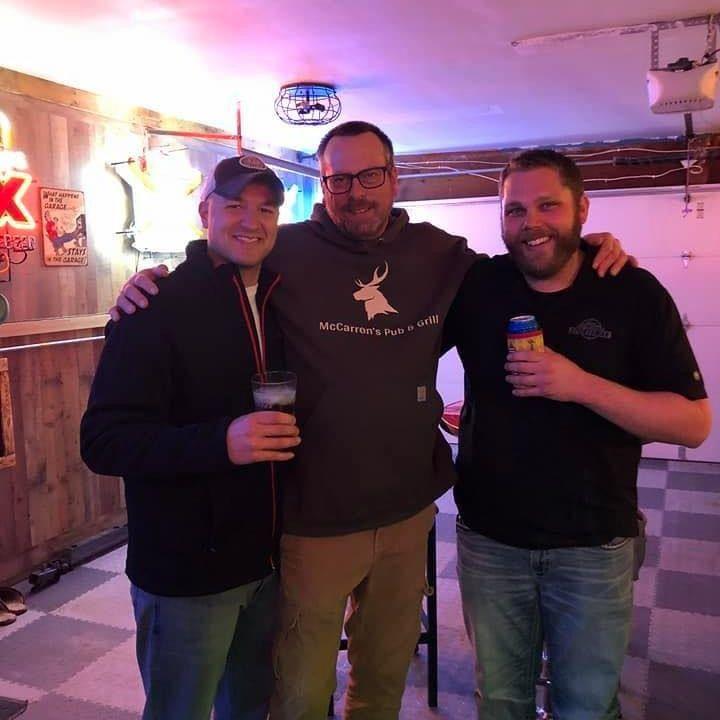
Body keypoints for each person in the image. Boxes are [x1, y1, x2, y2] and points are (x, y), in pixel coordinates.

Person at [109, 122, 628, 720]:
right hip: (312, 522)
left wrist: (583, 247)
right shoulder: (284, 249)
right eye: (340, 179)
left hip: (407, 515)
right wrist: (150, 282)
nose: (356, 192)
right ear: (324, 183)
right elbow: (224, 253)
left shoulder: (440, 254)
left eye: (371, 175)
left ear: (394, 177)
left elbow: (526, 268)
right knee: (299, 694)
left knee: (381, 686)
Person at [444, 149, 712, 720]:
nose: (530, 223)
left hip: (594, 544)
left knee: (587, 706)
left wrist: (581, 385)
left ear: (582, 209)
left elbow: (693, 424)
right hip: (491, 541)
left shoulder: (631, 290)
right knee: (500, 702)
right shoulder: (480, 285)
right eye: (515, 210)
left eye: (549, 206)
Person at [81, 156, 301, 720]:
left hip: (270, 563)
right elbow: (103, 440)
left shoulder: (286, 300)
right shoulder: (152, 306)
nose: (251, 220)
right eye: (235, 205)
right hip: (186, 572)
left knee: (250, 708)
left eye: (266, 209)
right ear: (205, 212)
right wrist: (220, 442)